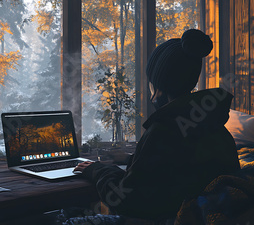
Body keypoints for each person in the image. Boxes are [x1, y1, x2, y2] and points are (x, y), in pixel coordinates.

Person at [74, 29, 241, 221]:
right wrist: (131, 159)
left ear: (159, 85)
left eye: (151, 82)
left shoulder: (164, 129)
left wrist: (97, 170)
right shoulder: (214, 125)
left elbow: (125, 201)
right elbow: (175, 170)